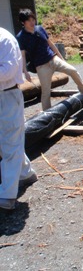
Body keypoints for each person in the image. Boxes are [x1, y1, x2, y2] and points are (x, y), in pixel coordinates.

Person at [16, 8, 83, 111]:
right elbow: (22, 55)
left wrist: (61, 58)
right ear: (23, 22)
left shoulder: (40, 29)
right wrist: (25, 71)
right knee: (45, 92)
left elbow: (51, 44)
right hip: (41, 66)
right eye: (29, 20)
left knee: (72, 70)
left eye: (33, 19)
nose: (32, 22)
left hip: (53, 59)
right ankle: (47, 115)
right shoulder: (21, 37)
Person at [0, 27, 37, 210]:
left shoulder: (4, 39)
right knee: (8, 140)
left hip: (7, 95)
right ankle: (26, 173)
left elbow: (7, 70)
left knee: (10, 142)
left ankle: (7, 195)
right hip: (2, 95)